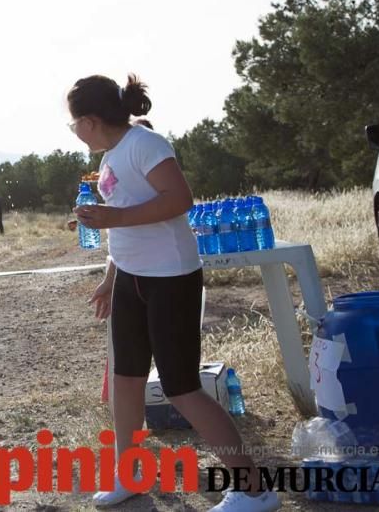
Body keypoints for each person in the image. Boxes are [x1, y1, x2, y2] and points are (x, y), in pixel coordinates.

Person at [69, 75, 279, 512]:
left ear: (90, 120)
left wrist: (114, 218)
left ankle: (255, 490)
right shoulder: (111, 155)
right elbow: (123, 219)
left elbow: (179, 199)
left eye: (73, 123)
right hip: (130, 277)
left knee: (182, 387)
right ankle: (130, 475)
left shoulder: (145, 144)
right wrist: (110, 278)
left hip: (170, 276)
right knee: (125, 382)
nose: (72, 131)